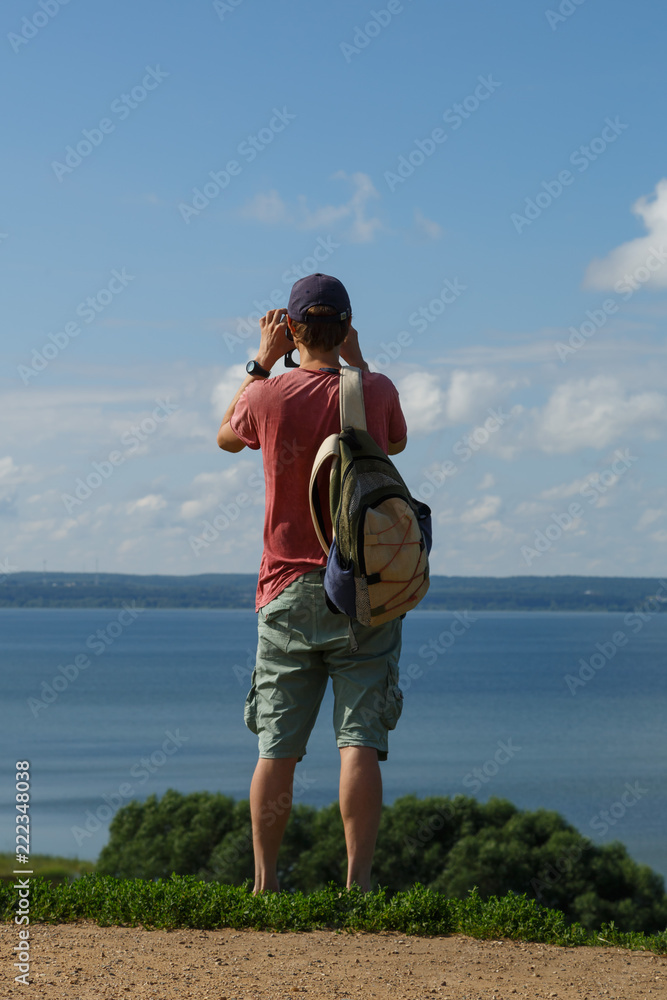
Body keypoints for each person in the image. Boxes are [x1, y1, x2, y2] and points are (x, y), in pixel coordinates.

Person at [216, 273, 408, 893]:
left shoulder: (267, 396)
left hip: (286, 589)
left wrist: (261, 361)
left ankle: (265, 885)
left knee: (277, 748)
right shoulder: (373, 389)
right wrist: (359, 364)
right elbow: (394, 441)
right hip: (363, 587)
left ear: (293, 327)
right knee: (359, 742)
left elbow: (226, 437)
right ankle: (359, 887)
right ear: (346, 326)